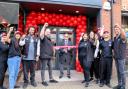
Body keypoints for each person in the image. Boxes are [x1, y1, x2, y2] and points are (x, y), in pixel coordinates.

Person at [113, 24, 126, 89]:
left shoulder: (122, 36)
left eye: (117, 29)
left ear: (119, 30)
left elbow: (124, 37)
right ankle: (119, 84)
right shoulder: (115, 38)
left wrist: (120, 28)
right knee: (118, 72)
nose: (116, 30)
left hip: (121, 57)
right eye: (115, 29)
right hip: (116, 57)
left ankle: (123, 86)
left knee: (122, 72)